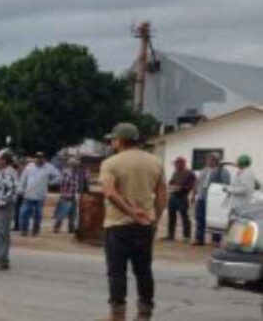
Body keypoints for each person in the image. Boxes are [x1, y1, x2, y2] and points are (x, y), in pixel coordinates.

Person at [99, 123, 166, 321]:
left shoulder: (110, 163)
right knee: (143, 271)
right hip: (145, 226)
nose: (112, 142)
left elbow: (110, 193)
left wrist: (130, 212)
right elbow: (162, 196)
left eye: (113, 139)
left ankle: (117, 315)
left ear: (119, 141)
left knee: (117, 272)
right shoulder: (155, 162)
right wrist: (155, 220)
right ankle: (144, 314)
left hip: (117, 225)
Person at [18, 152, 60, 237]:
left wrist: (50, 183)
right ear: (35, 158)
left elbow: (58, 176)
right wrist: (20, 189)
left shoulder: (49, 167)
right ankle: (24, 230)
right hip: (28, 194)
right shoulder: (29, 167)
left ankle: (35, 230)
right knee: (24, 213)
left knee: (38, 215)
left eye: (41, 158)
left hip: (40, 195)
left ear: (44, 159)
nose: (39, 159)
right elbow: (23, 179)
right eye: (37, 157)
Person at [192, 153, 230, 246]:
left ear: (216, 161)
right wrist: (194, 194)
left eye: (211, 159)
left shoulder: (223, 171)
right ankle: (199, 238)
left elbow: (226, 185)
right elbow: (197, 182)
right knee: (200, 218)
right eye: (208, 159)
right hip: (202, 197)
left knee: (215, 218)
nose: (208, 161)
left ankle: (216, 240)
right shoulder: (204, 170)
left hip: (214, 198)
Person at [164, 157, 196, 242]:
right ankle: (170, 235)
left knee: (184, 216)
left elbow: (191, 186)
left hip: (182, 197)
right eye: (175, 164)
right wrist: (171, 187)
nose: (175, 165)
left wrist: (181, 188)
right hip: (173, 196)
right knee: (171, 216)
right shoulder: (175, 173)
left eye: (177, 164)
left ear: (182, 164)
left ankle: (186, 236)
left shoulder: (189, 173)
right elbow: (171, 182)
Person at [53, 158, 87, 234]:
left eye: (77, 165)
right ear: (71, 164)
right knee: (62, 212)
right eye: (75, 164)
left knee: (73, 213)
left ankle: (71, 227)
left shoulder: (76, 174)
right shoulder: (66, 172)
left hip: (73, 195)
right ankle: (57, 227)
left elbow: (77, 184)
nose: (76, 166)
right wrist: (64, 194)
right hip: (66, 195)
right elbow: (62, 183)